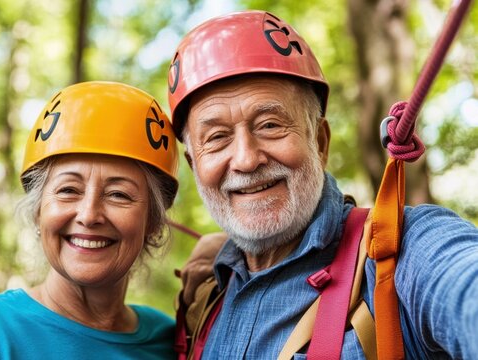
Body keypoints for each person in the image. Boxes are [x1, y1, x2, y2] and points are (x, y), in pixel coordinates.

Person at [168, 10, 478, 359]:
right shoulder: (205, 300)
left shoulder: (402, 252)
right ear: (194, 166)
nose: (245, 159)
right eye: (217, 137)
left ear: (320, 141)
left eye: (270, 125)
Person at [0, 81, 179, 359]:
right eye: (68, 190)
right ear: (38, 211)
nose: (89, 215)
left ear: (153, 222)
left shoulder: (169, 341)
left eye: (119, 194)